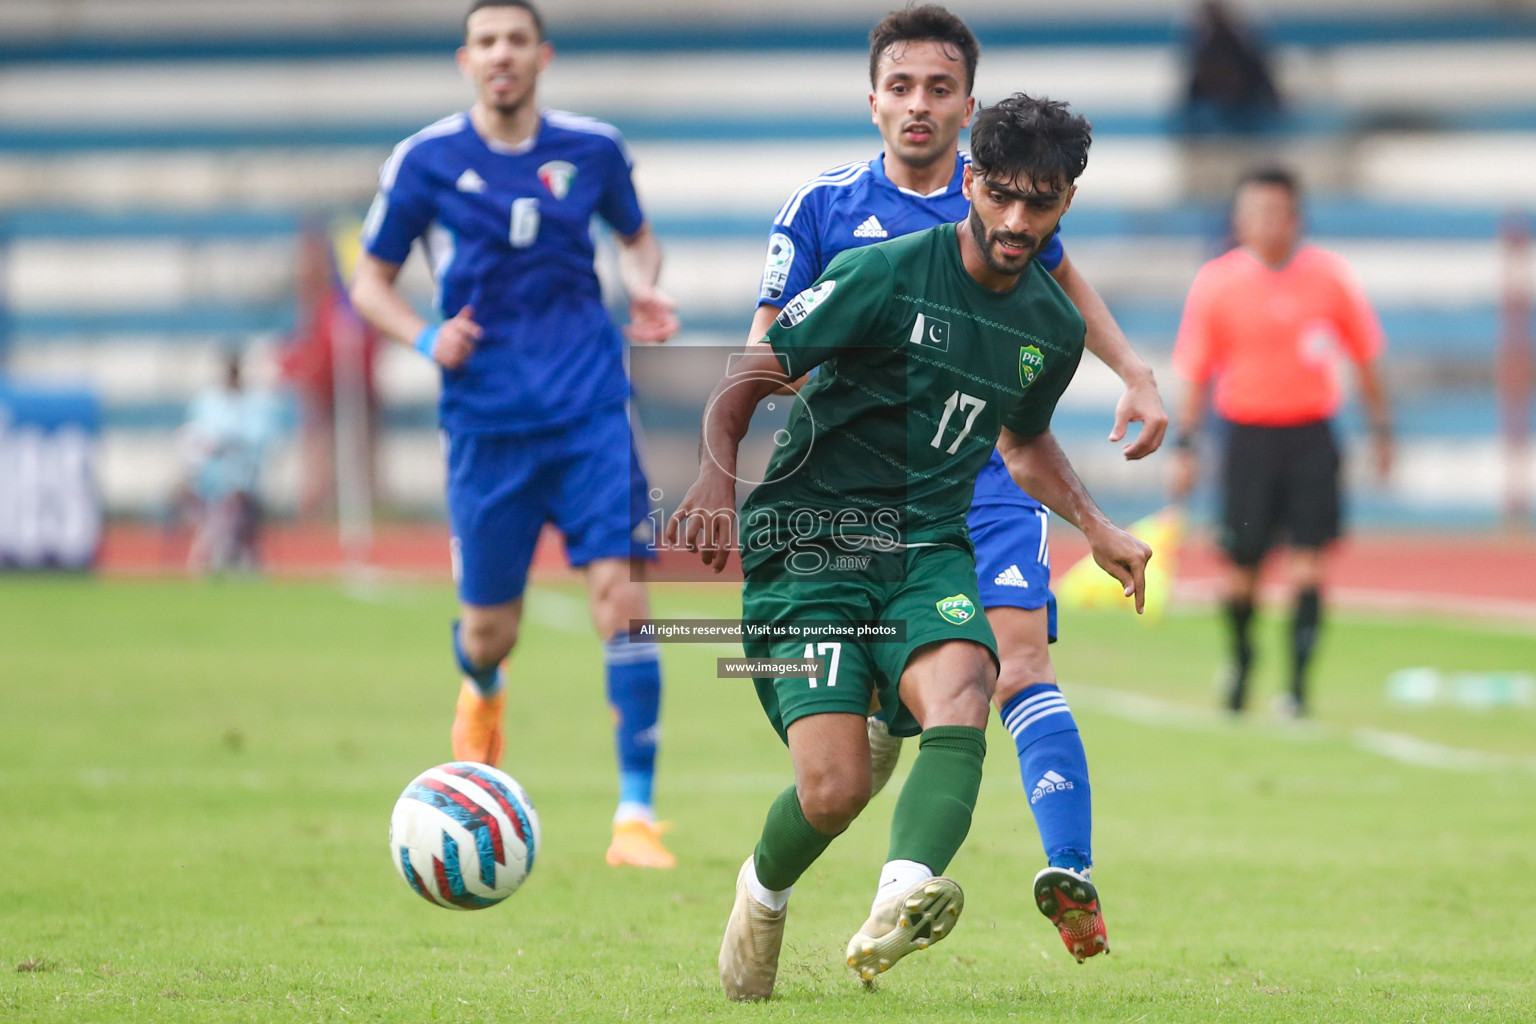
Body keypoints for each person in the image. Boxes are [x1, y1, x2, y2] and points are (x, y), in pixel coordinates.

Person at [670, 93, 1152, 1001]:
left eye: (1039, 204)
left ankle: (901, 897)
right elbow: (751, 373)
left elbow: (1022, 443)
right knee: (835, 790)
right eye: (1001, 195)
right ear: (970, 182)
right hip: (810, 542)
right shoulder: (884, 272)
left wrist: (1095, 525)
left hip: (926, 543)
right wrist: (712, 475)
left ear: (1065, 206)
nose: (1016, 221)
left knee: (968, 687)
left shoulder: (1050, 325)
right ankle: (763, 892)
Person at [349, 0, 682, 868]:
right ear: (468, 59)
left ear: (543, 55)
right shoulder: (425, 162)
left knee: (625, 603)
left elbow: (640, 242)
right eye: (487, 41)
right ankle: (483, 687)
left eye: (517, 41)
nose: (503, 54)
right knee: (490, 631)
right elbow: (370, 284)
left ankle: (636, 817)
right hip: (488, 425)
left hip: (590, 413)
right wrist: (425, 337)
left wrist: (645, 289)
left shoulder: (593, 151)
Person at [1170, 165, 1392, 717]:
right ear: (1239, 220)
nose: (1267, 223)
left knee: (1308, 562)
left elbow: (1365, 357)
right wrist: (1186, 445)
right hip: (1248, 438)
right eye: (1255, 212)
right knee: (1243, 568)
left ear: (1297, 217)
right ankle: (1243, 661)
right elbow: (1195, 371)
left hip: (1312, 437)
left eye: (1278, 211)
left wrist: (1382, 429)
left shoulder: (1330, 278)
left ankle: (1296, 686)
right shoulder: (1216, 282)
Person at [177, 349, 281, 574]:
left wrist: (229, 447)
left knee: (236, 511)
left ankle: (229, 555)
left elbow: (259, 440)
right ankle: (214, 554)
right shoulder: (206, 402)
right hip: (211, 478)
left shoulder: (255, 403)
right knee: (221, 511)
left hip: (246, 476)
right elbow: (196, 440)